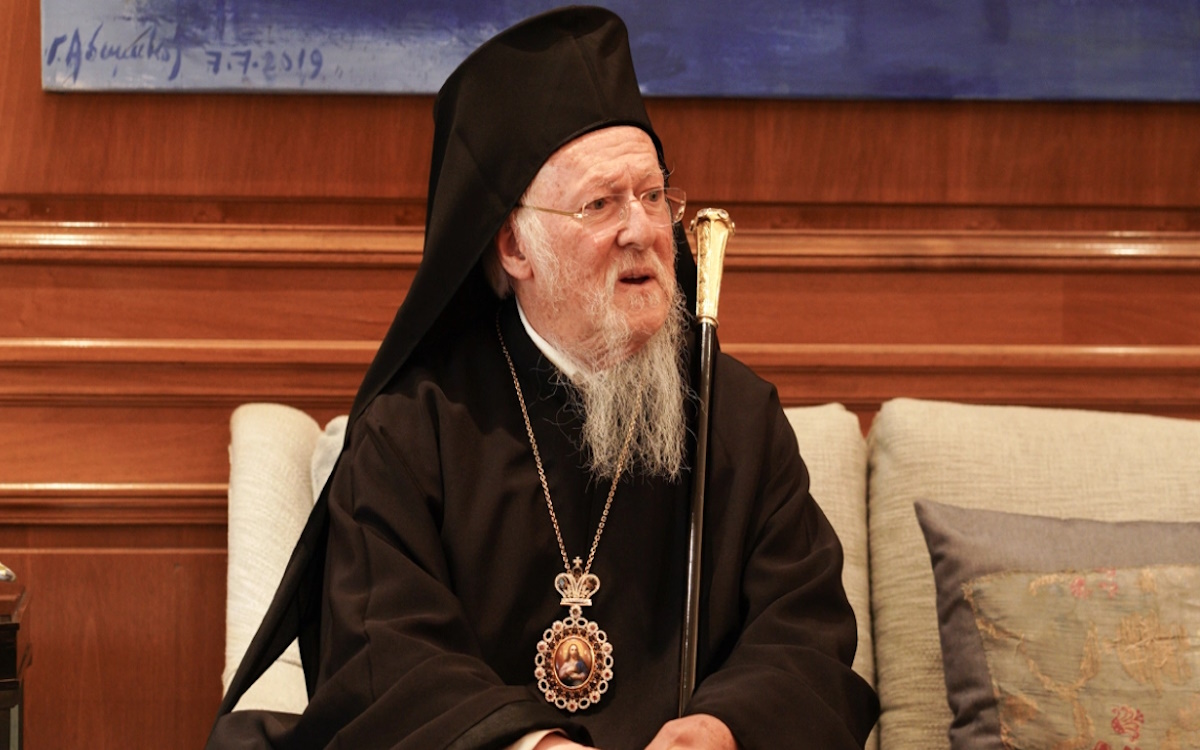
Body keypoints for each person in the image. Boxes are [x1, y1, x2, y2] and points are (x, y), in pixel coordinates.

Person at [208, 6, 878, 749]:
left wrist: (722, 728)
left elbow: (805, 632)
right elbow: (385, 659)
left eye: (653, 195)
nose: (642, 230)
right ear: (514, 247)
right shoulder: (412, 430)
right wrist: (533, 745)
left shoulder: (735, 417)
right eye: (600, 203)